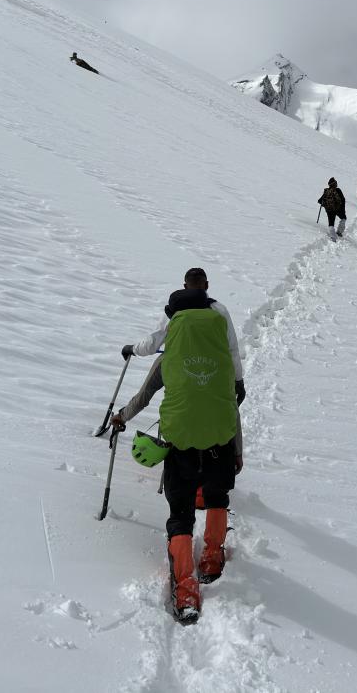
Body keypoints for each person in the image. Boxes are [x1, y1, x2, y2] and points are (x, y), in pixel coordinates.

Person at [112, 267, 246, 623]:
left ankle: (186, 589)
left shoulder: (166, 357)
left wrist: (121, 417)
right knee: (217, 496)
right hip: (220, 439)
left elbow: (143, 397)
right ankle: (213, 557)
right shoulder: (221, 354)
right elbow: (230, 403)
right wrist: (237, 451)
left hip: (181, 442)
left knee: (181, 514)